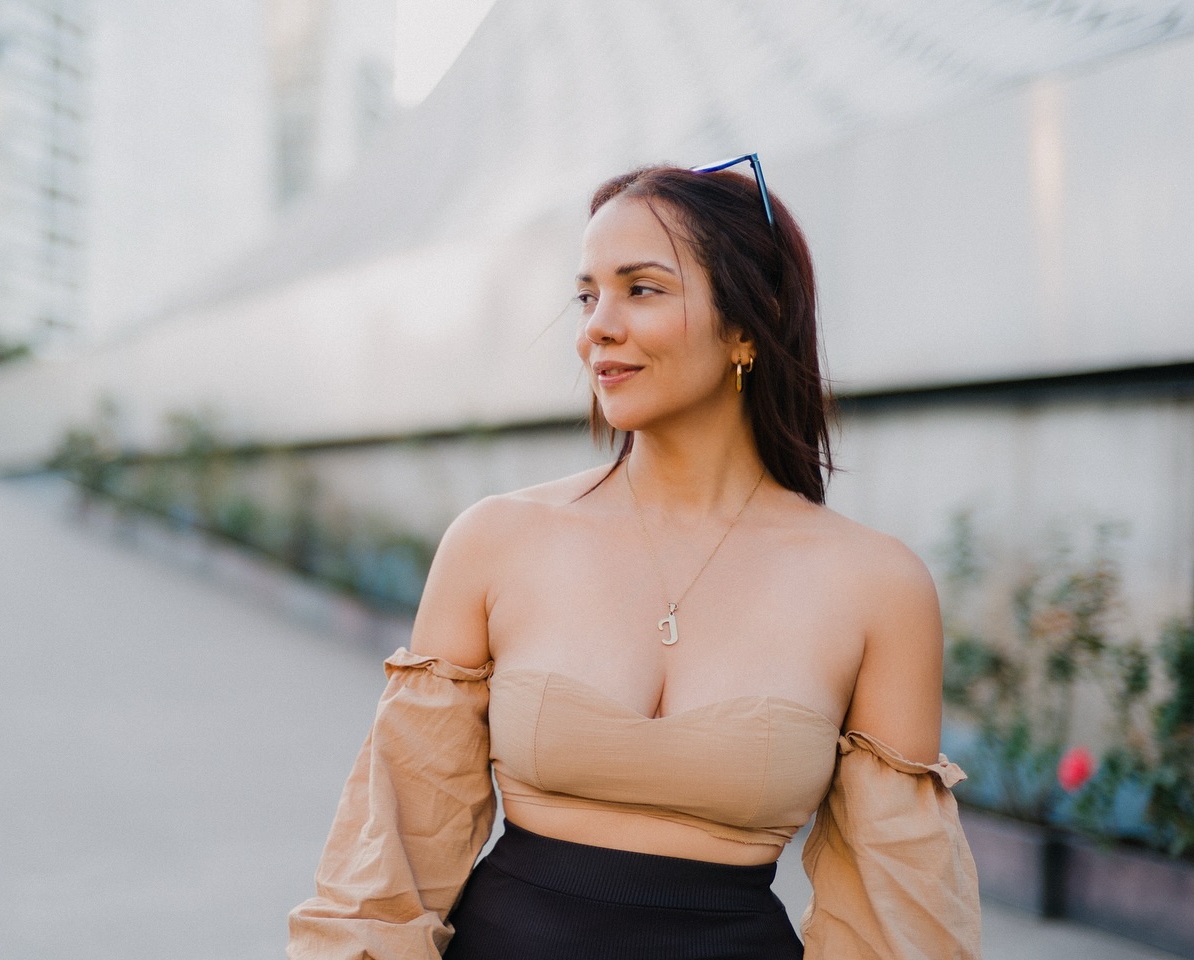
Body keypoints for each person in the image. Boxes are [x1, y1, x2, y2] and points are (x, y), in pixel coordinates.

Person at [287, 157, 981, 959]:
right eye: (587, 295)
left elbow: (897, 922)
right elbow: (389, 872)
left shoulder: (876, 586)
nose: (596, 328)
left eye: (641, 288)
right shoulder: (496, 540)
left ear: (749, 325)